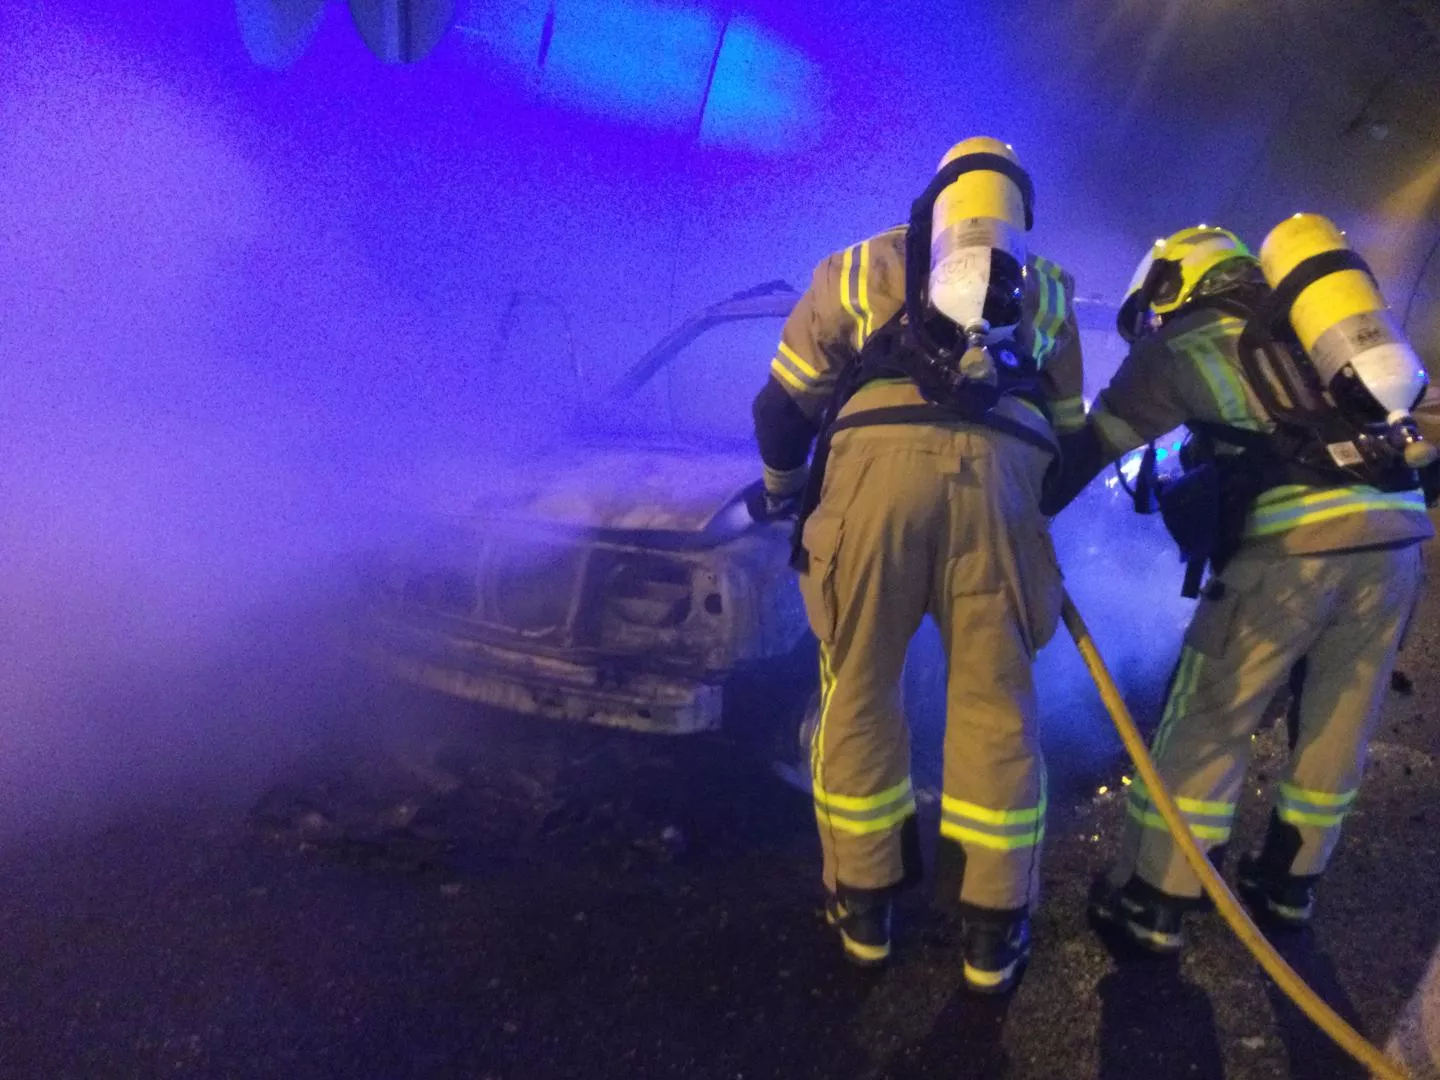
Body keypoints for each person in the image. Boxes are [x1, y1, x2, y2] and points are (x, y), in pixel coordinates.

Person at [749, 137, 1085, 993]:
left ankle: (865, 914)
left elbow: (782, 406)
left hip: (871, 487)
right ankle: (992, 933)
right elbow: (1073, 433)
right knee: (997, 706)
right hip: (1003, 486)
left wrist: (785, 491)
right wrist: (1023, 510)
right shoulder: (1046, 290)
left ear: (930, 199)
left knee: (857, 692)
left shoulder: (856, 271)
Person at [1049, 224, 1433, 952]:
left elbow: (1093, 448)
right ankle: (1287, 888)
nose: (1152, 328)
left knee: (1207, 718)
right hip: (1395, 540)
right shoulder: (1320, 329)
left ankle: (1154, 903)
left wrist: (1018, 511)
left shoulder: (1182, 342)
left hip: (1292, 553)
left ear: (1173, 282)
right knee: (1337, 723)